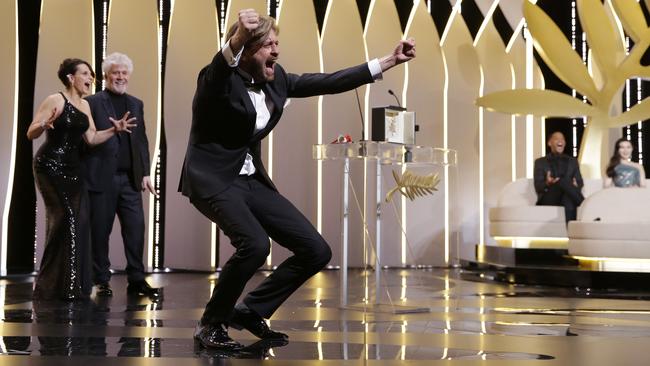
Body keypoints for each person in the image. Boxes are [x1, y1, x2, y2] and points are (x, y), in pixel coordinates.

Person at [179, 9, 416, 350]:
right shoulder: (216, 79)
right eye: (267, 44)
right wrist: (237, 40)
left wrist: (389, 61)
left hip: (250, 181)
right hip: (213, 179)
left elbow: (330, 81)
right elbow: (222, 65)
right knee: (256, 245)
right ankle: (211, 324)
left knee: (316, 250)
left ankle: (251, 310)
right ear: (245, 49)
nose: (276, 50)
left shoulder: (277, 80)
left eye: (277, 43)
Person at [27, 58, 135, 301]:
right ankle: (52, 285)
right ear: (70, 77)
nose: (90, 79)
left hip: (74, 169)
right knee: (66, 219)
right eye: (85, 74)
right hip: (50, 165)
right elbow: (30, 131)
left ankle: (68, 285)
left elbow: (92, 138)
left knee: (78, 223)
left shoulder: (85, 105)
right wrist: (43, 123)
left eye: (91, 76)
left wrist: (114, 130)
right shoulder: (55, 100)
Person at [81, 52, 160, 298]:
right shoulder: (92, 102)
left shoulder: (136, 103)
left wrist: (145, 173)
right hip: (101, 178)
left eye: (124, 73)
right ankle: (101, 279)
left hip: (130, 179)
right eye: (116, 72)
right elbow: (86, 140)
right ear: (106, 75)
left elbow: (141, 140)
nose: (120, 77)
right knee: (100, 231)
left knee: (136, 229)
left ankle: (137, 279)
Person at [533, 131, 584, 222]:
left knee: (568, 200)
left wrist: (576, 185)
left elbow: (579, 182)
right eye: (556, 138)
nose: (560, 140)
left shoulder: (573, 161)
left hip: (567, 194)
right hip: (549, 198)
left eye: (562, 139)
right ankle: (585, 205)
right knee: (561, 181)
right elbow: (538, 186)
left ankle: (571, 234)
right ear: (549, 143)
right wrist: (547, 183)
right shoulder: (540, 162)